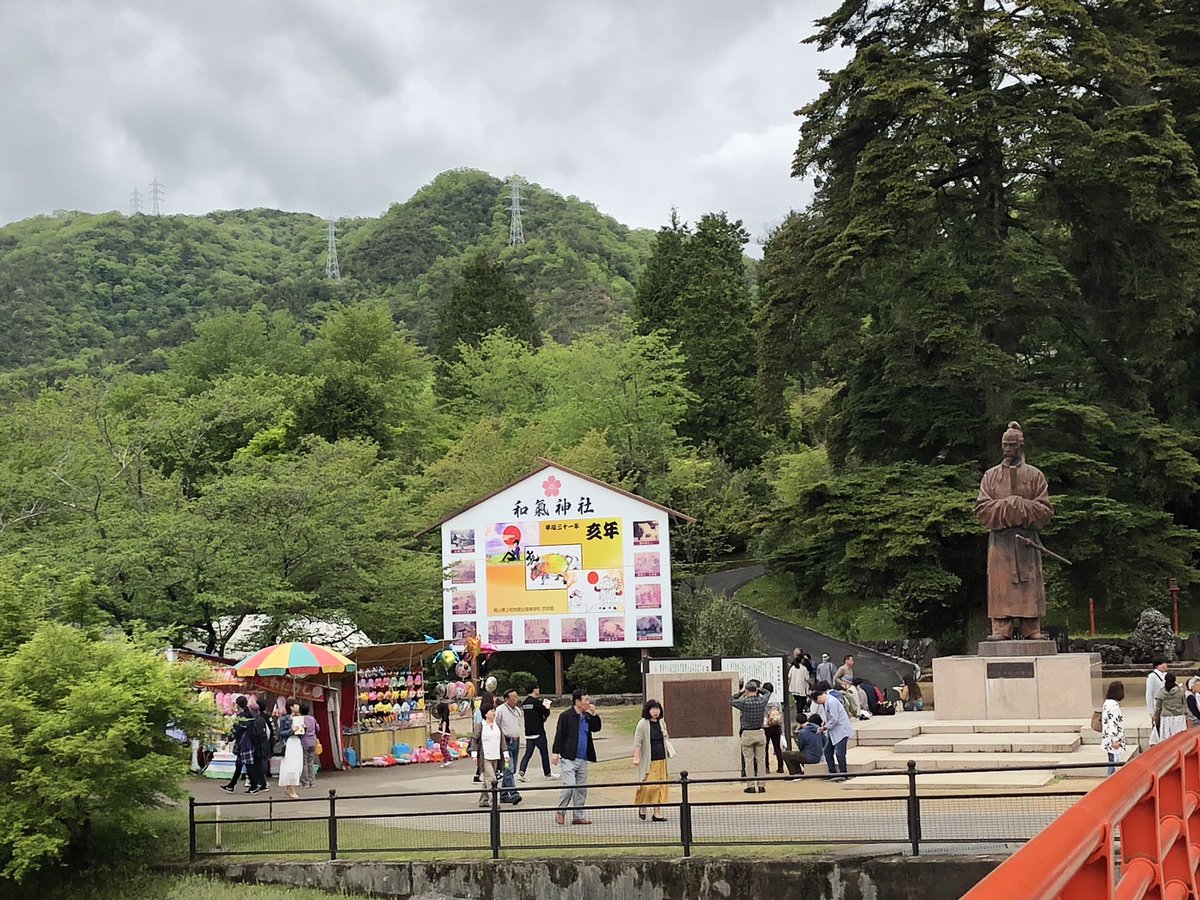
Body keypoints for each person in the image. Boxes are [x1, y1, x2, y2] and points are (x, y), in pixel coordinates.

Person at [974, 421, 1055, 640]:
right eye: (1005, 445)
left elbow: (1045, 510)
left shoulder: (1035, 476)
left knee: (1030, 586)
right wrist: (1007, 506)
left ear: (1020, 446)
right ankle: (1001, 627)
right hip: (1000, 541)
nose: (1008, 449)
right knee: (1000, 587)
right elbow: (982, 509)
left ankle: (1032, 628)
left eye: (1012, 445)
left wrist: (1020, 505)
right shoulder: (990, 476)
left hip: (1027, 541)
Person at [551, 689, 602, 826]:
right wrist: (555, 752)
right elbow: (559, 734)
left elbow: (596, 728)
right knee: (570, 785)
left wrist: (594, 714)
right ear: (577, 701)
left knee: (581, 787)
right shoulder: (566, 716)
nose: (588, 702)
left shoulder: (586, 716)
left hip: (583, 757)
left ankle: (578, 815)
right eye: (585, 700)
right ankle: (561, 811)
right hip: (568, 757)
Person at [632, 699, 671, 822]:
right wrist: (636, 757)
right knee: (649, 786)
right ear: (648, 710)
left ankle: (657, 812)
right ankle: (642, 805)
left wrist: (666, 735)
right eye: (653, 709)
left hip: (661, 759)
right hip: (649, 761)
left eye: (657, 709)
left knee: (660, 787)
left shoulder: (661, 723)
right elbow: (638, 742)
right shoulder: (642, 724)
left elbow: (665, 740)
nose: (655, 711)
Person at [731, 679, 769, 793]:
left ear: (747, 691)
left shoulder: (744, 703)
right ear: (756, 690)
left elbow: (731, 700)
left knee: (749, 761)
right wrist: (759, 689)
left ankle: (751, 785)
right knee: (761, 760)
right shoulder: (762, 701)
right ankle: (762, 785)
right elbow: (768, 693)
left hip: (747, 733)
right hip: (760, 732)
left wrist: (741, 692)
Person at [812, 684, 853, 782]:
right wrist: (825, 723)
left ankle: (844, 773)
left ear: (819, 697)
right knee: (827, 751)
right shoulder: (827, 701)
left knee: (840, 753)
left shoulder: (831, 702)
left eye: (817, 702)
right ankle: (832, 772)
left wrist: (825, 727)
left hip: (841, 730)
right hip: (834, 731)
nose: (819, 704)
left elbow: (835, 718)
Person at [494, 689, 524, 804]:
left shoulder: (517, 710)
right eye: (513, 697)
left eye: (517, 697)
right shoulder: (500, 710)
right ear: (507, 699)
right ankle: (514, 792)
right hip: (505, 744)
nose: (516, 699)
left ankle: (504, 794)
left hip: (515, 742)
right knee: (508, 768)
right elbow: (495, 725)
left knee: (512, 769)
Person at [221, 696, 257, 793]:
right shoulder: (251, 715)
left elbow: (235, 731)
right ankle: (232, 785)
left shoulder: (240, 716)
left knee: (247, 765)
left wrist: (227, 741)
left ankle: (253, 786)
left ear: (237, 704)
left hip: (243, 743)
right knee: (241, 764)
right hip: (249, 742)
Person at [519, 684, 553, 780]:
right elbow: (546, 713)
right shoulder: (537, 702)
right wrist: (547, 706)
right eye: (537, 688)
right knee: (544, 753)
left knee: (528, 753)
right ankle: (548, 773)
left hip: (528, 732)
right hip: (538, 732)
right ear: (534, 690)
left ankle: (522, 770)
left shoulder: (525, 703)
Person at [477, 706, 507, 808]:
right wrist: (473, 753)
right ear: (486, 714)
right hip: (485, 756)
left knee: (487, 779)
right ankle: (493, 801)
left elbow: (502, 740)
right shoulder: (481, 725)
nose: (494, 713)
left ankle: (483, 800)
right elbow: (474, 739)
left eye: (494, 711)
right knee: (492, 778)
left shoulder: (497, 726)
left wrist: (505, 753)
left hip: (496, 755)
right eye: (491, 711)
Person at [277, 697, 304, 800]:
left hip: (297, 741)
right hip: (289, 743)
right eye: (296, 705)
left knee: (297, 765)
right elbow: (280, 733)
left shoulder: (299, 718)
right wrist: (291, 731)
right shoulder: (284, 719)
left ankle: (289, 788)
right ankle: (290, 788)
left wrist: (302, 729)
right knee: (290, 765)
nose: (298, 707)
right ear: (291, 707)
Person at [248, 699, 272, 793]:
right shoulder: (262, 719)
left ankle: (259, 784)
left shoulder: (255, 721)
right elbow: (268, 732)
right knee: (260, 765)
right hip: (264, 744)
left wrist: (253, 743)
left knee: (258, 765)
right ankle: (262, 784)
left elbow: (255, 735)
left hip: (258, 746)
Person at [1101, 681, 1125, 776]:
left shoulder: (1107, 703)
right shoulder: (1114, 706)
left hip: (1107, 737)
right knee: (1115, 763)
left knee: (1111, 760)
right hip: (1114, 739)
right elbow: (1113, 723)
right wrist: (1115, 740)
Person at [1155, 672, 1188, 742]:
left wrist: (1156, 719)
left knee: (1166, 739)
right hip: (1178, 717)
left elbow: (1158, 708)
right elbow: (1184, 703)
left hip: (1166, 718)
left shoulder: (1161, 692)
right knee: (1180, 739)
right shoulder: (1180, 691)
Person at [762, 682, 785, 775]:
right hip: (776, 726)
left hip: (766, 726)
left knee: (765, 747)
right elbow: (780, 713)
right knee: (777, 747)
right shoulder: (776, 700)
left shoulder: (763, 700)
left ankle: (766, 767)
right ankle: (780, 766)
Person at [1146, 658, 1169, 745]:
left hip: (1166, 706)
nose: (1164, 665)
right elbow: (1149, 694)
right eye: (1161, 664)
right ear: (1156, 666)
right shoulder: (1152, 676)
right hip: (1156, 706)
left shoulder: (1166, 675)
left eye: (1165, 663)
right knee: (1157, 727)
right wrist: (1151, 712)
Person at [299, 701, 320, 788]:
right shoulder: (312, 719)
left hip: (304, 741)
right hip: (313, 741)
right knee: (311, 762)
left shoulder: (300, 719)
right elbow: (318, 728)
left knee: (304, 762)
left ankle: (305, 782)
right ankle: (312, 782)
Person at [789, 655, 811, 719]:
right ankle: (799, 718)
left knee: (798, 704)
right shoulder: (804, 668)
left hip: (794, 689)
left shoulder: (792, 668)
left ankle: (798, 717)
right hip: (801, 690)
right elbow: (807, 679)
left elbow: (789, 677)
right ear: (802, 660)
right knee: (801, 706)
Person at [434, 701, 453, 767]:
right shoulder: (442, 716)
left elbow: (444, 724)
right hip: (443, 732)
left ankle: (449, 758)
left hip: (445, 733)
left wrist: (443, 732)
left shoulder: (445, 716)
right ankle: (446, 760)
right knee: (442, 746)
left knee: (443, 746)